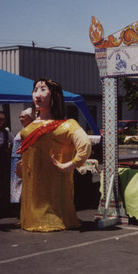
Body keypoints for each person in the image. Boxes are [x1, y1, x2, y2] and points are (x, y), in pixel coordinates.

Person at [18, 78, 91, 232]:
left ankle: (54, 218)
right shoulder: (31, 124)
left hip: (54, 185)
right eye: (35, 90)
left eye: (43, 89)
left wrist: (70, 165)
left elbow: (85, 145)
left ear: (54, 95)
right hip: (32, 184)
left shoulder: (67, 125)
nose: (38, 94)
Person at [10, 108, 34, 207]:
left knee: (23, 183)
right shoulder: (23, 130)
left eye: (23, 117)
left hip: (22, 159)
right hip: (15, 159)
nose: (20, 118)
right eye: (20, 116)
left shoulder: (30, 130)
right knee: (17, 184)